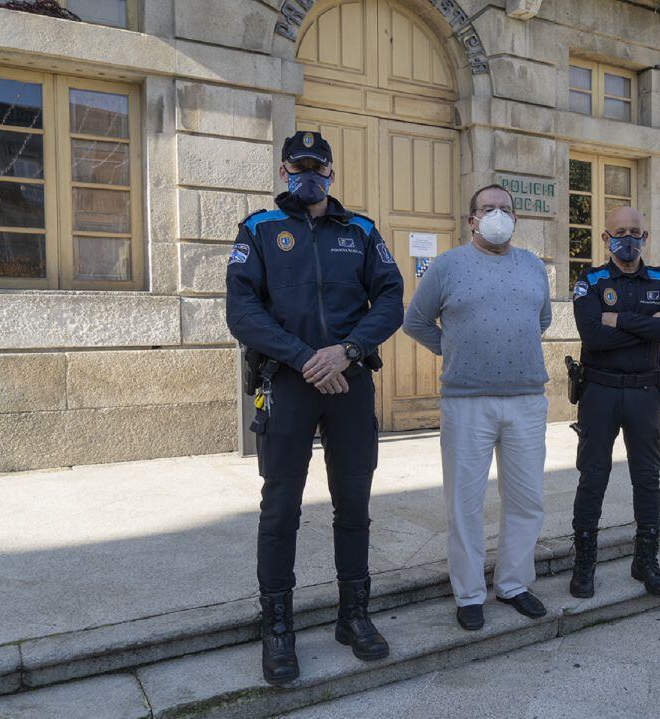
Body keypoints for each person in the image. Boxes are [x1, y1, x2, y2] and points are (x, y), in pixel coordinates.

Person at [226, 131, 404, 685]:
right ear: (283, 172)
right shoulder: (259, 229)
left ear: (331, 172)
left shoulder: (361, 230)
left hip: (349, 381)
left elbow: (392, 297)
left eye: (317, 166)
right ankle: (277, 626)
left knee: (354, 503)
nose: (308, 174)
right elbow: (241, 311)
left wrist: (346, 351)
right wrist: (308, 358)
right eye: (297, 166)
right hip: (290, 381)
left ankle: (354, 615)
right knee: (281, 506)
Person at [402, 184, 552, 631]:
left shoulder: (532, 266)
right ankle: (468, 593)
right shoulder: (448, 266)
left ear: (515, 219)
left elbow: (540, 320)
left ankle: (514, 584)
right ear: (472, 219)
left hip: (526, 400)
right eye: (488, 209)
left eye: (505, 209)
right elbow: (415, 322)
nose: (498, 216)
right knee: (465, 503)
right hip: (466, 402)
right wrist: (457, 352)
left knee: (526, 499)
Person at [568, 206, 660, 600]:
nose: (628, 238)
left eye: (635, 231)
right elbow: (592, 337)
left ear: (645, 237)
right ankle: (584, 563)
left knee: (647, 478)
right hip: (599, 392)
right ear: (605, 238)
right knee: (593, 476)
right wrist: (647, 324)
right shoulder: (591, 280)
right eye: (619, 231)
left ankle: (646, 561)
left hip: (645, 393)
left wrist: (616, 319)